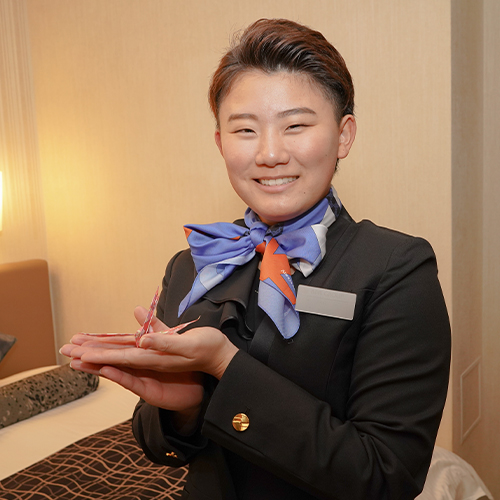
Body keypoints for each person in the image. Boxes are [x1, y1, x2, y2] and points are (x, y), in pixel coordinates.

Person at [61, 18, 451, 500]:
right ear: (220, 142)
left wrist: (226, 367)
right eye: (245, 129)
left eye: (296, 125)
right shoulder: (193, 265)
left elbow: (386, 477)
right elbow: (158, 446)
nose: (269, 153)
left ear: (343, 135)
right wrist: (186, 407)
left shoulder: (397, 269)